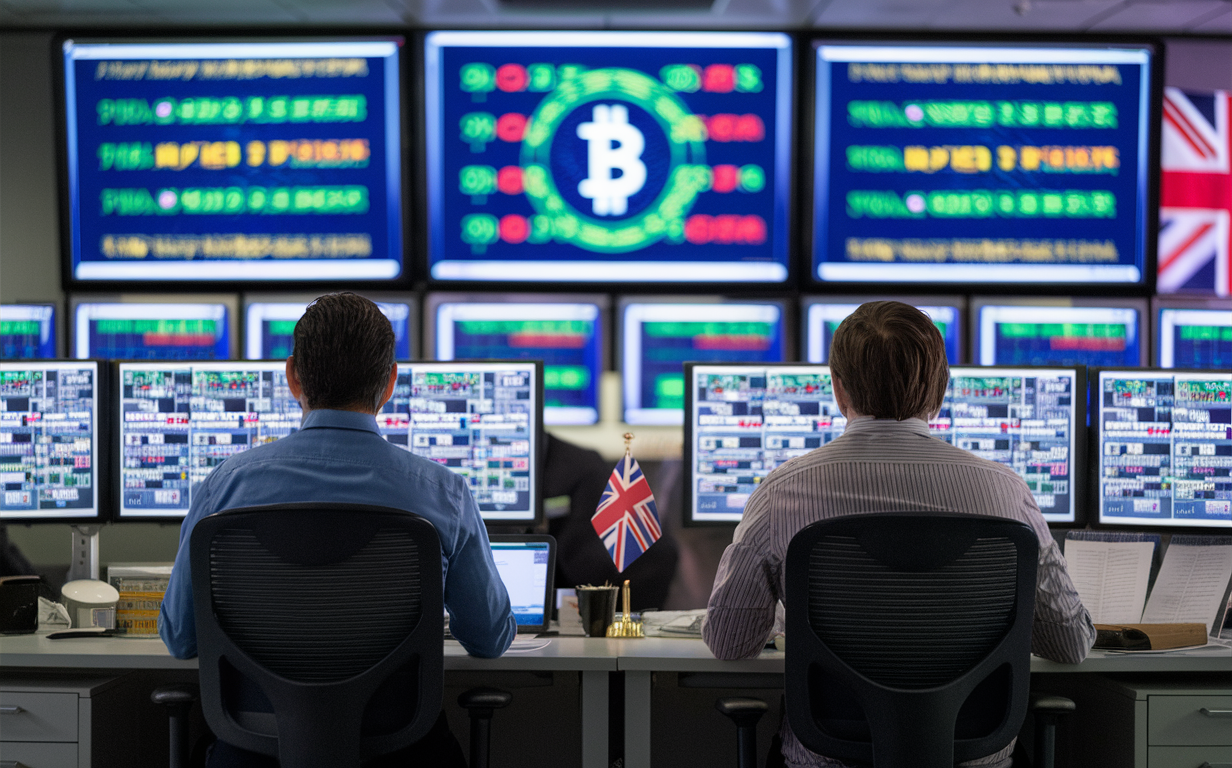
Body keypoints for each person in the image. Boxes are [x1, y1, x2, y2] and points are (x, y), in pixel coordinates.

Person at [702, 301, 1095, 768]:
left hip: (828, 758)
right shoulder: (1006, 493)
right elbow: (1069, 644)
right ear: (941, 388)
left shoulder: (781, 492)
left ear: (837, 388)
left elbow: (729, 642)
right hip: (972, 758)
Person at [159, 292, 516, 766]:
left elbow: (180, 638)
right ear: (390, 383)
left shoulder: (224, 487)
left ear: (293, 378)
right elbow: (490, 639)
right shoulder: (443, 493)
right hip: (399, 751)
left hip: (254, 750)